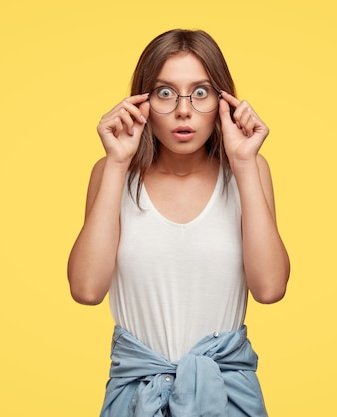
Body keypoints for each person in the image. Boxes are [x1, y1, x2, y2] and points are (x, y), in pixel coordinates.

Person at [67, 29, 290, 416]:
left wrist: (243, 164)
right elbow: (86, 289)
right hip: (136, 399)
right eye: (165, 93)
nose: (183, 110)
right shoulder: (111, 172)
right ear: (142, 101)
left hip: (226, 399)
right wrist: (119, 163)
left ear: (223, 101)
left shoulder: (249, 170)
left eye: (200, 92)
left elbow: (270, 288)